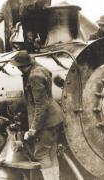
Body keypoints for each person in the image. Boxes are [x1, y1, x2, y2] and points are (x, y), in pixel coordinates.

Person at [11, 51, 63, 180]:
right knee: (51, 153)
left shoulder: (34, 77)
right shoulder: (40, 69)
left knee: (41, 153)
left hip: (47, 120)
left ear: (21, 66)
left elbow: (41, 105)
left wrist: (33, 129)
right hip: (55, 117)